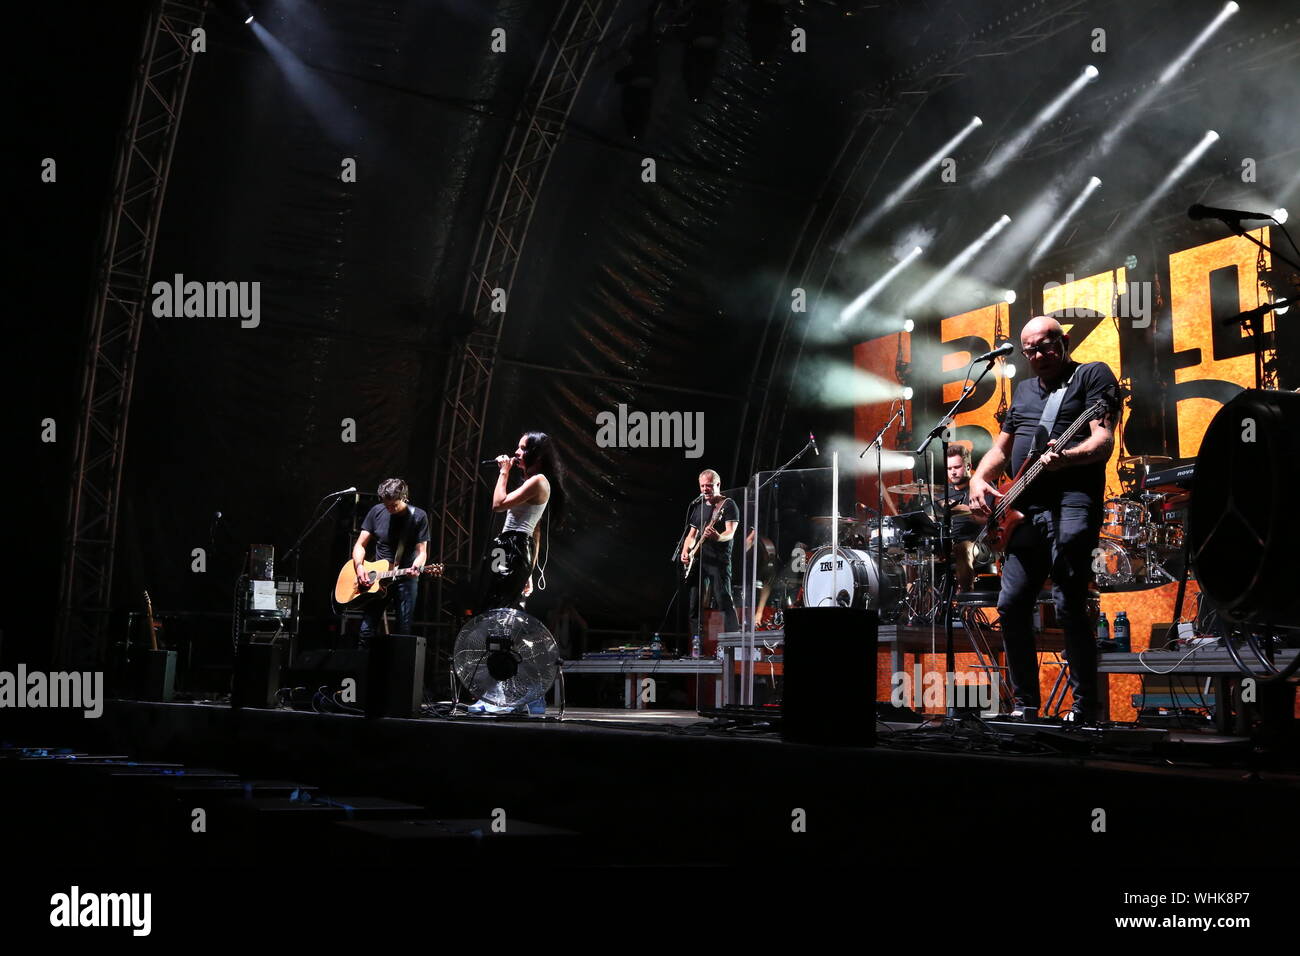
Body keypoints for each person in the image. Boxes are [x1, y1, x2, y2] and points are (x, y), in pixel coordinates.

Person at [968, 317, 1119, 724]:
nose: (1039, 356)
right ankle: (1025, 706)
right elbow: (1004, 445)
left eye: (1046, 346)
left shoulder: (1092, 376)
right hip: (1023, 510)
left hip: (1071, 501)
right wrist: (980, 477)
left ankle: (1086, 708)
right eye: (1030, 350)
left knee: (1068, 602)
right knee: (1011, 604)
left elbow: (1103, 443)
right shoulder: (1022, 391)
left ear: (1064, 341)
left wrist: (1065, 457)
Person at [468, 431, 568, 715]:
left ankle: (503, 696)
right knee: (498, 619)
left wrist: (503, 472)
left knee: (499, 620)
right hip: (511, 548)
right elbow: (535, 532)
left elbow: (498, 504)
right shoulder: (533, 481)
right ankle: (521, 696)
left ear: (535, 453)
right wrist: (530, 572)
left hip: (513, 547)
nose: (516, 452)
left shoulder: (538, 481)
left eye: (522, 448)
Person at [352, 479, 430, 643]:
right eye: (386, 505)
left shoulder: (418, 516)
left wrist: (418, 564)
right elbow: (360, 545)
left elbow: (422, 552)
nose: (389, 509)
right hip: (378, 578)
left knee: (403, 633)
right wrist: (359, 566)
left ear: (404, 497)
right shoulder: (376, 511)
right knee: (366, 631)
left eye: (393, 505)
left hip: (405, 577)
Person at [680, 469, 740, 642]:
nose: (705, 489)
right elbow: (691, 535)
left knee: (723, 599)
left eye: (709, 485)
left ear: (718, 485)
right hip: (698, 561)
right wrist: (686, 551)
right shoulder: (698, 507)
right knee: (694, 605)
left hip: (718, 561)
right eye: (702, 486)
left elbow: (730, 532)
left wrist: (718, 537)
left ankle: (733, 643)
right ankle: (696, 645)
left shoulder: (728, 505)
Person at [939, 444, 982, 592]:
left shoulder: (980, 486)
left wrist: (960, 509)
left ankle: (965, 599)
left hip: (979, 542)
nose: (953, 472)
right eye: (949, 469)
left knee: (962, 548)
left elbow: (989, 516)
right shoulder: (943, 494)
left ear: (968, 466)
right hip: (949, 543)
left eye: (957, 467)